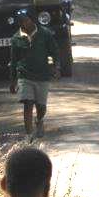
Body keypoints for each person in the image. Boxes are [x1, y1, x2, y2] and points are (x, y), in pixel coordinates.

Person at [9, 9, 60, 140]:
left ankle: (39, 120)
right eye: (20, 21)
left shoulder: (45, 34)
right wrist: (13, 80)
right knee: (28, 103)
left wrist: (55, 66)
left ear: (32, 19)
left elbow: (54, 52)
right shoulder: (16, 38)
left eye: (25, 20)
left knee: (41, 106)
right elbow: (14, 60)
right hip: (24, 75)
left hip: (42, 75)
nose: (23, 23)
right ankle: (29, 135)